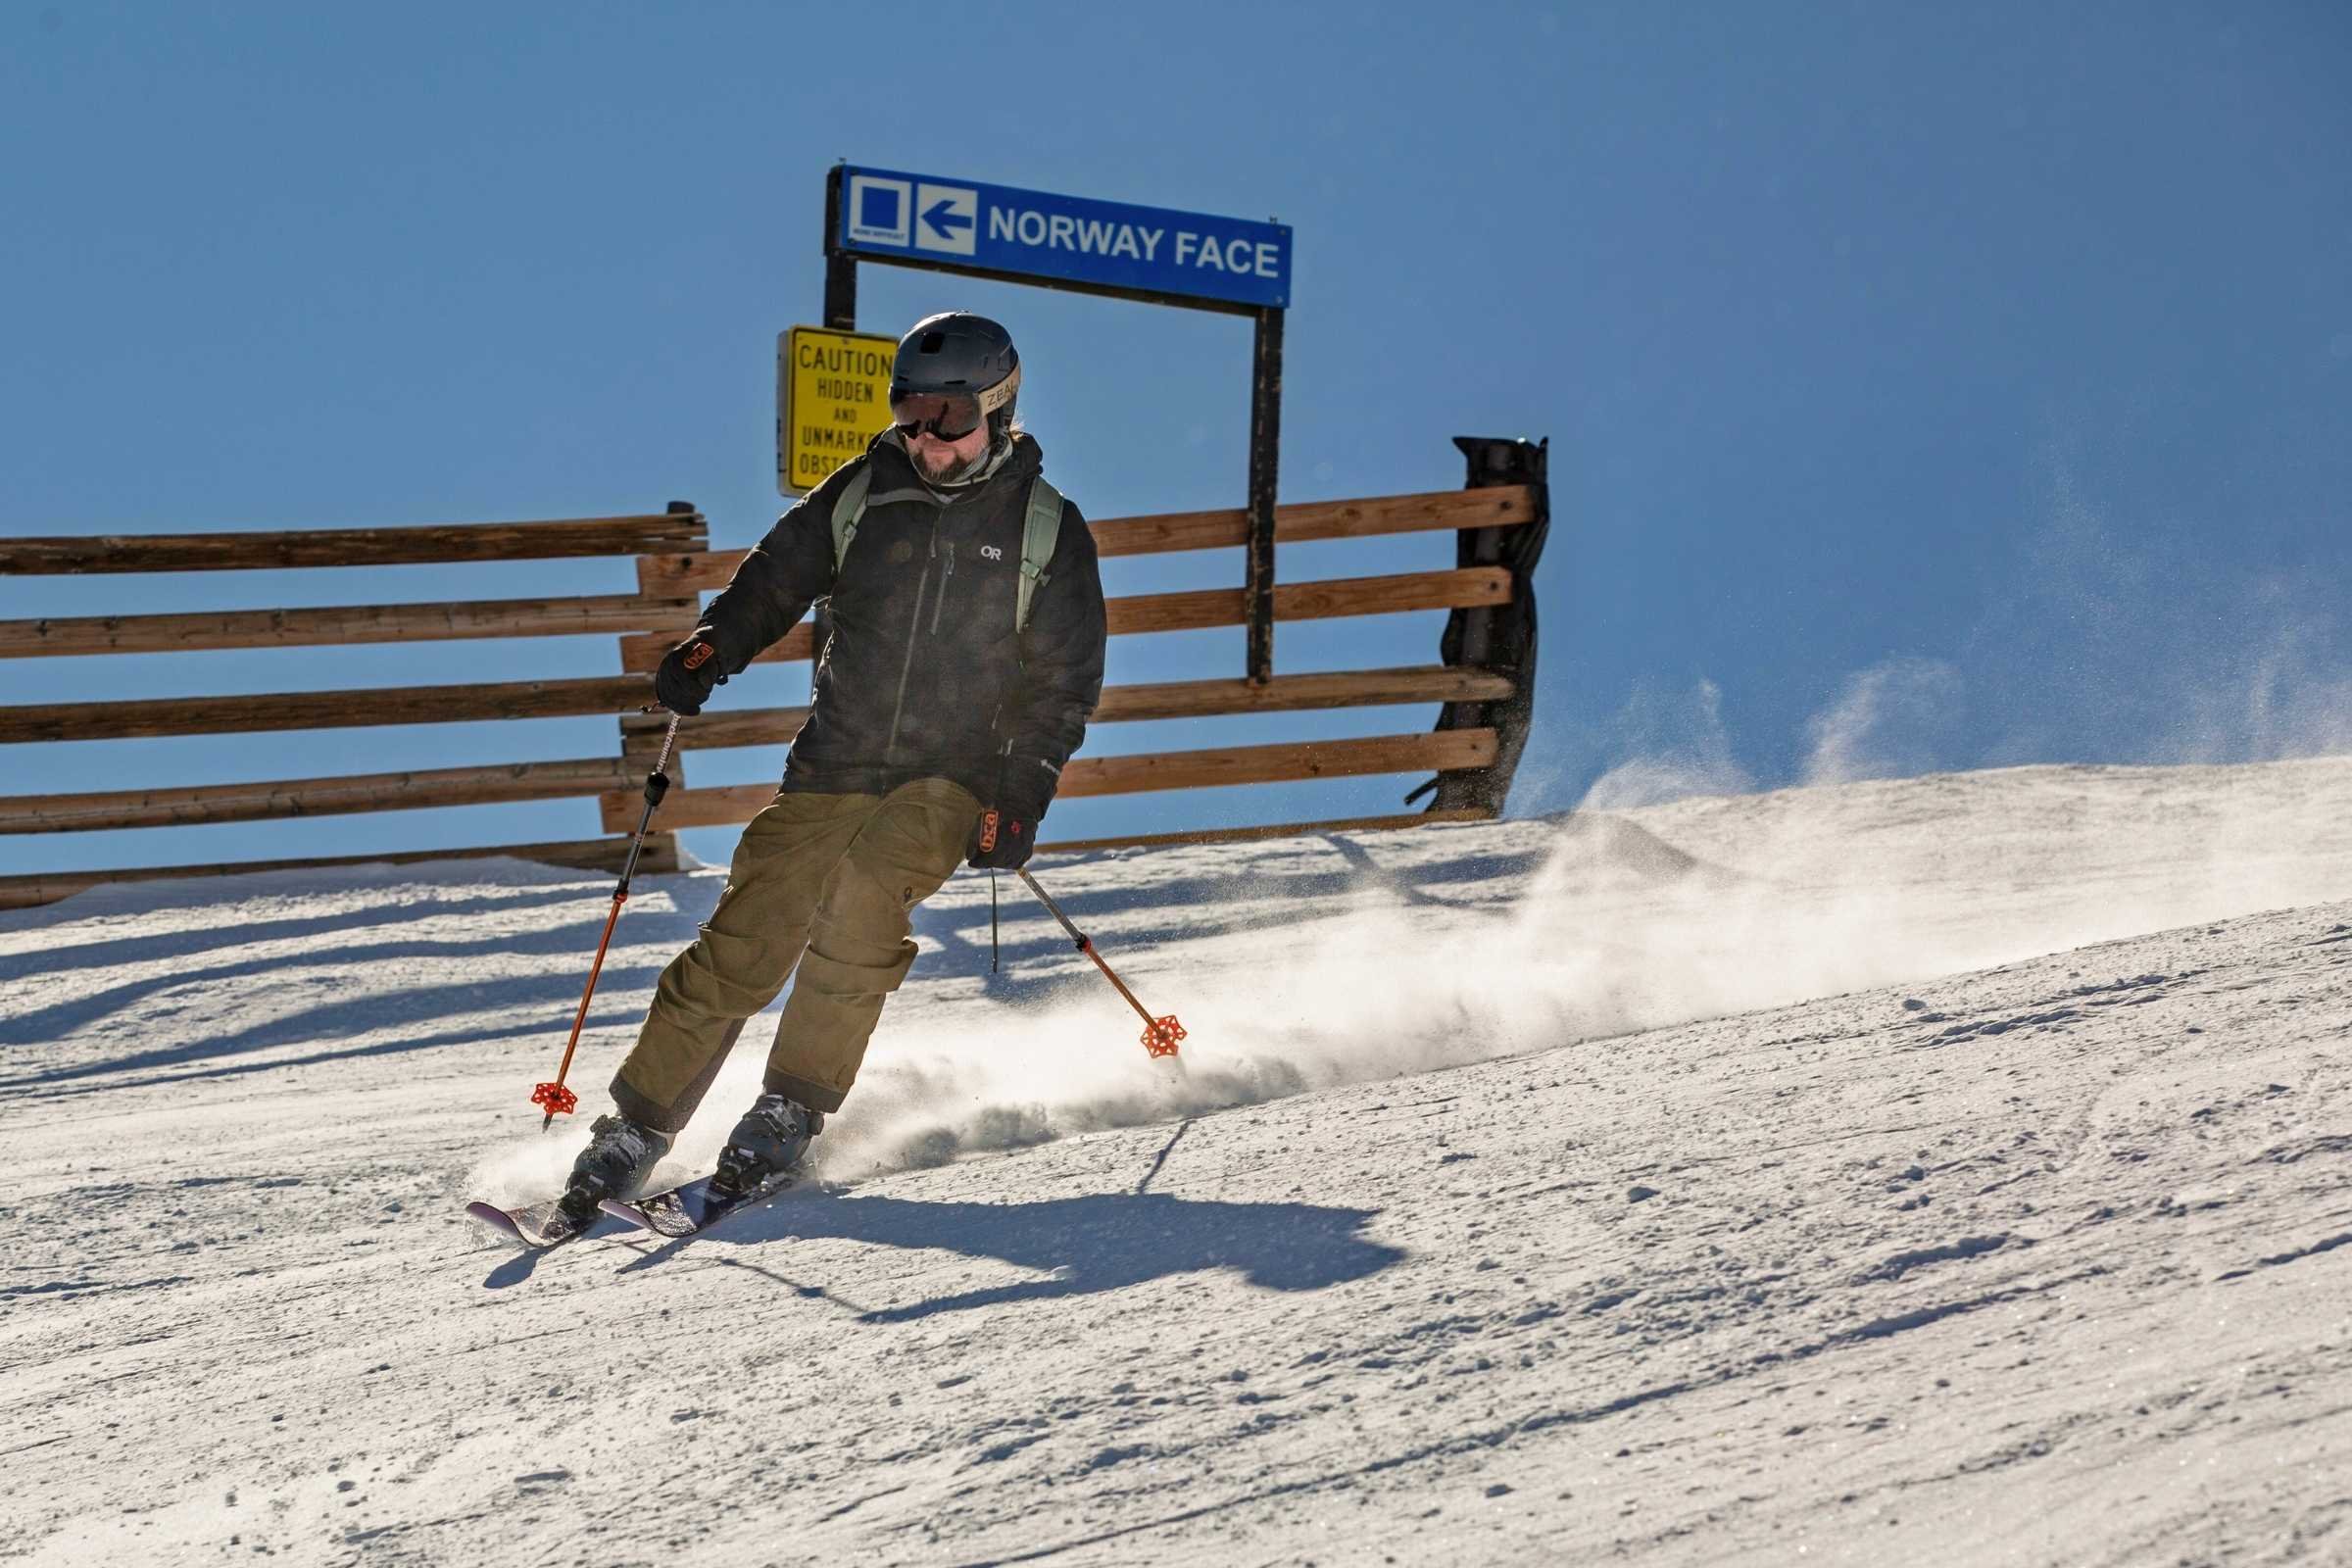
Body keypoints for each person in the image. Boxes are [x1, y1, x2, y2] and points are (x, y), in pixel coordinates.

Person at [554, 312, 1106, 1222]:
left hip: (951, 775)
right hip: (834, 764)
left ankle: (789, 1107)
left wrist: (1021, 791)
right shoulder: (861, 495)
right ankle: (635, 1129)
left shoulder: (1046, 529)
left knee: (862, 894)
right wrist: (710, 650)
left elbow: (1063, 682)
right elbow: (774, 579)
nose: (927, 439)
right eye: (911, 414)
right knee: (747, 929)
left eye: (950, 417)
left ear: (999, 411)